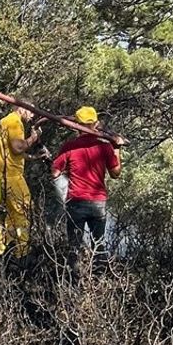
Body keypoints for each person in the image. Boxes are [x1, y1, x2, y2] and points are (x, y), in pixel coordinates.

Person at [51, 105, 123, 271]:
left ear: (76, 125)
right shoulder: (105, 146)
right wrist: (117, 149)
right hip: (98, 202)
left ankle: (74, 280)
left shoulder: (69, 147)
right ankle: (99, 278)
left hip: (76, 201)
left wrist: (67, 173)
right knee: (99, 245)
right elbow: (116, 173)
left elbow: (55, 173)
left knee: (74, 247)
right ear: (95, 124)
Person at [0, 101, 44, 258]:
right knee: (23, 213)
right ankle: (22, 253)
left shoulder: (4, 121)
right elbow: (17, 147)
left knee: (10, 216)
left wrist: (33, 157)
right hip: (12, 177)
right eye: (31, 111)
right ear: (22, 108)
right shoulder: (15, 122)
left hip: (1, 176)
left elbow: (10, 152)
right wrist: (34, 137)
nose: (32, 115)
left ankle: (1, 250)